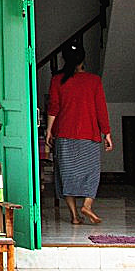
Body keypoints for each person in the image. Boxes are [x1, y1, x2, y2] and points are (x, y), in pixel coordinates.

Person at [45, 43, 112, 227]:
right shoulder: (94, 81)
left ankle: (74, 215)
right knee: (91, 173)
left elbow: (53, 108)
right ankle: (87, 205)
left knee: (66, 175)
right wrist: (106, 132)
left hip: (65, 134)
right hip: (89, 134)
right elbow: (101, 109)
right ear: (83, 60)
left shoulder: (57, 80)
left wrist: (49, 131)